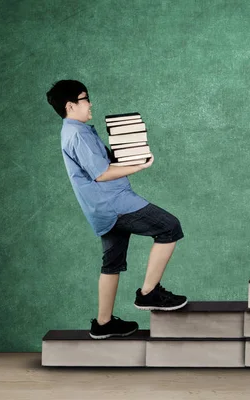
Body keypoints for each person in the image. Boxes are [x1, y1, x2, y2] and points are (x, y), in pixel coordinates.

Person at [46, 80, 187, 339]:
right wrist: (140, 166)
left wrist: (129, 152)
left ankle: (103, 323)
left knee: (111, 263)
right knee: (170, 227)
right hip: (114, 203)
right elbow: (101, 174)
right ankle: (148, 293)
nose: (90, 103)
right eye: (85, 98)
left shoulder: (75, 131)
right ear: (70, 105)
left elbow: (100, 163)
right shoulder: (77, 134)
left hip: (100, 209)